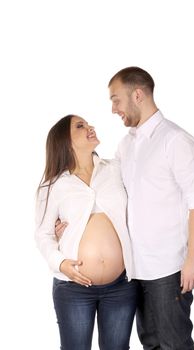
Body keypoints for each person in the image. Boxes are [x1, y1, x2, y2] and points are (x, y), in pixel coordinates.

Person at [107, 67, 194, 349]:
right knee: (150, 343)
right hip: (136, 268)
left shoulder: (175, 140)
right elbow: (105, 189)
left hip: (168, 268)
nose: (114, 109)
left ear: (137, 94)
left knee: (174, 343)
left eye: (116, 100)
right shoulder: (126, 145)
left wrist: (193, 259)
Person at [35, 114, 138, 350]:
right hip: (73, 288)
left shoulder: (115, 169)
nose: (89, 127)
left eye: (88, 123)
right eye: (80, 126)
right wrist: (61, 263)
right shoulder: (53, 186)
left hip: (121, 285)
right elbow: (43, 234)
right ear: (64, 141)